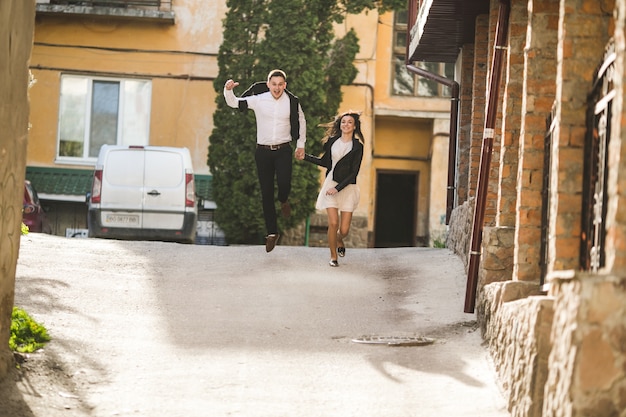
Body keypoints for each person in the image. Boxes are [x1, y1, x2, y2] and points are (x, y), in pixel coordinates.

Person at [223, 70, 306, 253]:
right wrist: (228, 91)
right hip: (263, 152)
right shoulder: (259, 100)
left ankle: (283, 199)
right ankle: (272, 232)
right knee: (266, 192)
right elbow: (235, 103)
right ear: (268, 84)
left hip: (283, 150)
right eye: (273, 84)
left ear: (285, 85)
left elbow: (301, 121)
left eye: (280, 84)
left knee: (284, 183)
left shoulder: (292, 101)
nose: (277, 87)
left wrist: (301, 145)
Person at [297, 111, 364, 267]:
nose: (345, 124)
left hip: (347, 188)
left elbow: (354, 173)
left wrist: (338, 189)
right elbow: (325, 163)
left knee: (344, 230)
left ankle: (339, 239)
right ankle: (334, 257)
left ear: (354, 127)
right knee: (333, 223)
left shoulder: (357, 147)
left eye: (349, 122)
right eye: (343, 122)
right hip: (330, 185)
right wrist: (304, 156)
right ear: (339, 125)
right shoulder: (332, 141)